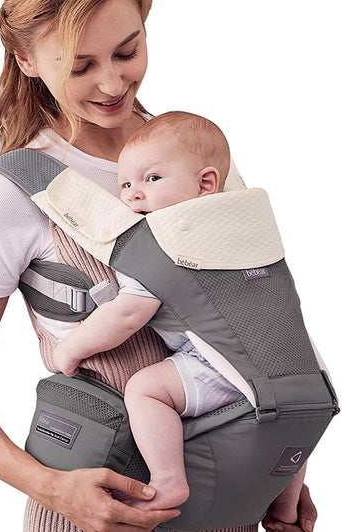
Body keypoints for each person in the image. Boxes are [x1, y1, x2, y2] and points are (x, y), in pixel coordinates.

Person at [0, 0, 318, 532]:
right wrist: (53, 489)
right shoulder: (13, 192)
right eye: (80, 65)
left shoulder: (194, 157)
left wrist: (281, 473)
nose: (112, 84)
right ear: (26, 59)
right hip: (95, 513)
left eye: (127, 51)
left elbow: (255, 320)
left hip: (223, 510)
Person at [52, 110, 307, 523]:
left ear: (205, 183)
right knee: (291, 427)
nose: (133, 195)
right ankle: (286, 500)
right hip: (298, 370)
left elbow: (128, 313)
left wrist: (71, 348)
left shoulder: (166, 241)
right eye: (125, 184)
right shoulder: (247, 226)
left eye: (151, 179)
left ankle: (169, 480)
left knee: (146, 390)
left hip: (222, 365)